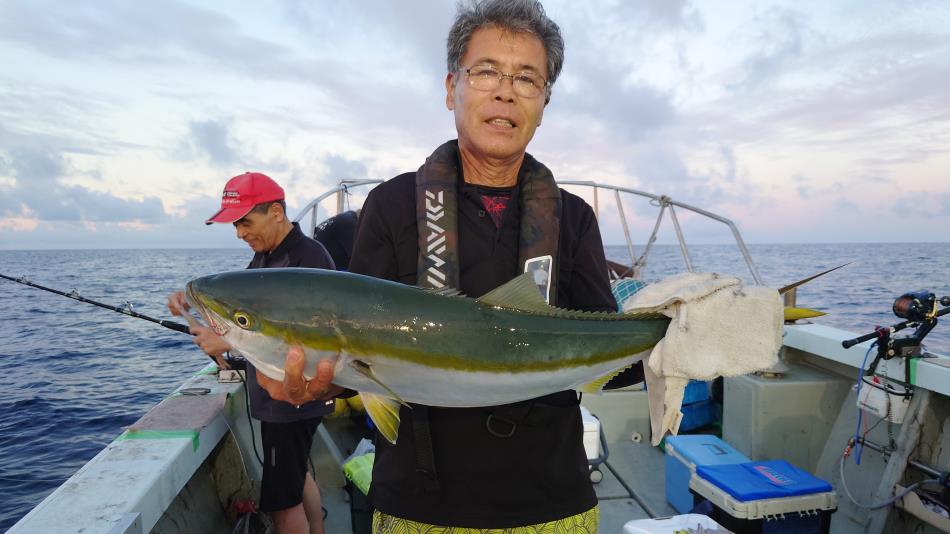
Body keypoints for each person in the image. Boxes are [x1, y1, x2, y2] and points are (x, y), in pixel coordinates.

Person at [257, 0, 631, 531]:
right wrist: (320, 385)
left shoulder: (572, 217)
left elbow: (609, 353)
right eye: (486, 72)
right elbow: (360, 351)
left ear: (544, 101)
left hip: (552, 497)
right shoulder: (392, 205)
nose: (505, 90)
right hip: (420, 500)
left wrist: (678, 334)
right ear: (451, 87)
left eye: (527, 78)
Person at [167, 172, 334, 534]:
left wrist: (227, 342)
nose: (240, 233)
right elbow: (237, 309)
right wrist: (191, 301)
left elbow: (311, 337)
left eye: (245, 222)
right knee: (296, 473)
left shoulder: (305, 260)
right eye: (235, 226)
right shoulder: (266, 258)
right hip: (280, 398)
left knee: (282, 506)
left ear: (276, 212)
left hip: (290, 401)